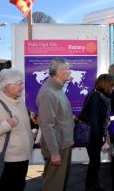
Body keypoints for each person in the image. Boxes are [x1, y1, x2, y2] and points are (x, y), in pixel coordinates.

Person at [0, 68, 33, 191]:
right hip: (7, 160)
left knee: (19, 187)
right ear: (5, 86)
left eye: (22, 83)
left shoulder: (20, 102)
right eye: (18, 84)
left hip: (22, 157)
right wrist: (7, 125)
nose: (22, 87)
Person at [36, 57, 75, 191]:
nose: (70, 72)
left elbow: (58, 116)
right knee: (54, 184)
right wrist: (53, 152)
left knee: (59, 183)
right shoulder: (48, 93)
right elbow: (47, 125)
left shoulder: (57, 89)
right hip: (58, 147)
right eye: (68, 69)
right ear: (59, 72)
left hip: (63, 144)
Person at [79, 74, 114, 191]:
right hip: (92, 136)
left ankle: (93, 185)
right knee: (95, 162)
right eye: (111, 85)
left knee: (95, 162)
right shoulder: (96, 97)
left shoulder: (99, 96)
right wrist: (101, 141)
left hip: (94, 135)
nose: (113, 88)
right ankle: (90, 186)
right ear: (105, 85)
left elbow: (98, 118)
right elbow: (94, 122)